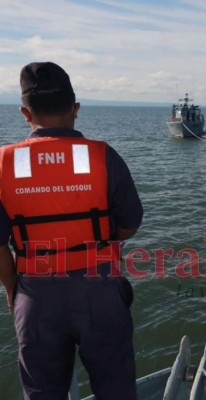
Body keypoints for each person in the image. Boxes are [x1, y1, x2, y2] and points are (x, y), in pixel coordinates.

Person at [0, 62, 143, 399]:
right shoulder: (102, 156)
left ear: (24, 113)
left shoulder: (3, 163)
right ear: (75, 108)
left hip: (35, 295)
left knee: (42, 392)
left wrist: (12, 291)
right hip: (100, 288)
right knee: (116, 388)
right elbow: (130, 223)